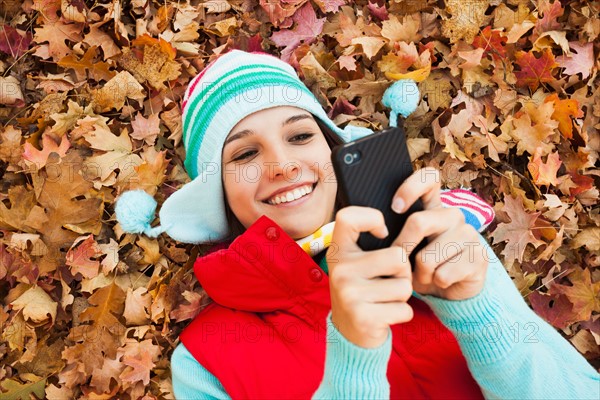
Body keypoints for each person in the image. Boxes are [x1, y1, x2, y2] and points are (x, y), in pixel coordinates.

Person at [115, 50, 600, 399]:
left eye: (301, 135)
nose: (282, 165)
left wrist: (481, 312)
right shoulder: (207, 362)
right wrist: (352, 357)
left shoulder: (444, 243)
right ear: (220, 196)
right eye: (244, 152)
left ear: (334, 149)